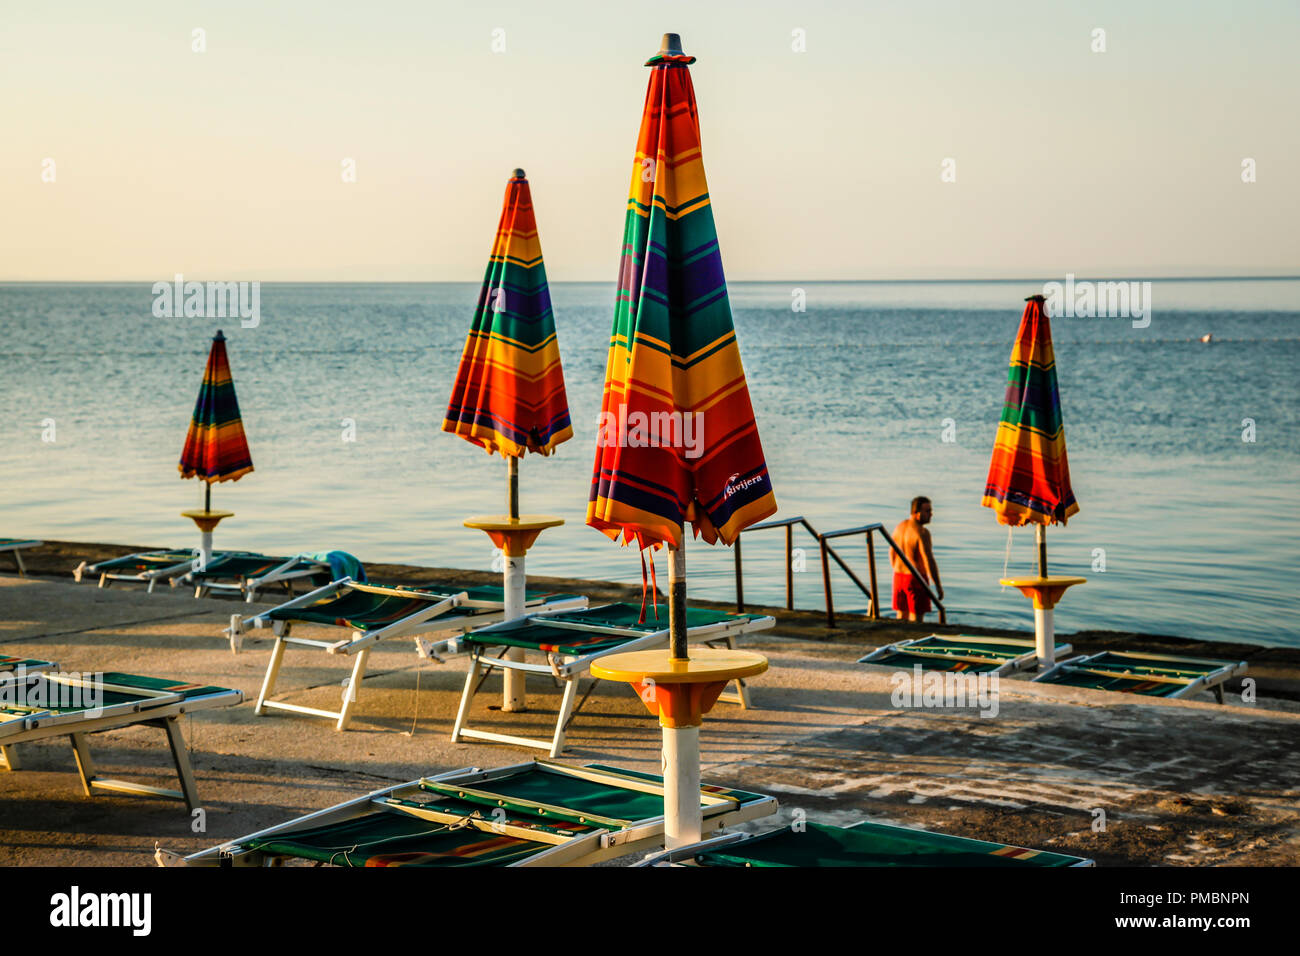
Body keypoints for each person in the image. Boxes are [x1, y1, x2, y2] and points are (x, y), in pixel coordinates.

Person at [890, 496, 943, 622]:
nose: (931, 514)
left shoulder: (899, 527)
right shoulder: (921, 532)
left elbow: (892, 552)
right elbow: (928, 560)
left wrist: (896, 567)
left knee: (901, 616)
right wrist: (938, 585)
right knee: (916, 619)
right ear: (916, 513)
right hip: (915, 579)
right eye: (928, 511)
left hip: (898, 577)